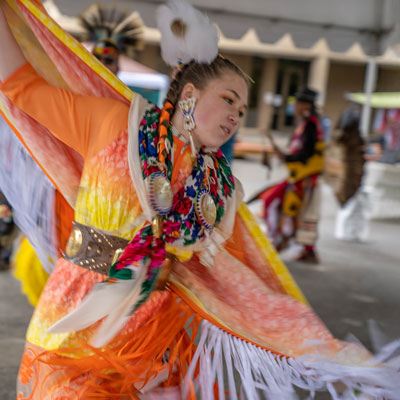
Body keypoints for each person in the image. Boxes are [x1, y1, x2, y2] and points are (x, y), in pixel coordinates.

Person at [0, 1, 399, 398]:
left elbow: (245, 279)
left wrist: (321, 350)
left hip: (154, 338)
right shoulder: (115, 125)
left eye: (242, 111)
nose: (235, 117)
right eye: (228, 100)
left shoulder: (217, 188)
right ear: (189, 94)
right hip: (78, 313)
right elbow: (21, 85)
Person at [262, 87, 325, 263]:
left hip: (305, 179)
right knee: (293, 210)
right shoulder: (307, 123)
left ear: (305, 105)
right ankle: (290, 244)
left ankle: (279, 242)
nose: (295, 107)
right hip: (300, 176)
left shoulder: (311, 124)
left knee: (279, 204)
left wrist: (287, 156)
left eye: (297, 103)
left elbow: (307, 153)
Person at [330, 104, 368, 241]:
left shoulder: (353, 137)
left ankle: (348, 230)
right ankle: (344, 230)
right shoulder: (349, 134)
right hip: (351, 167)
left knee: (350, 194)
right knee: (347, 193)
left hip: (353, 167)